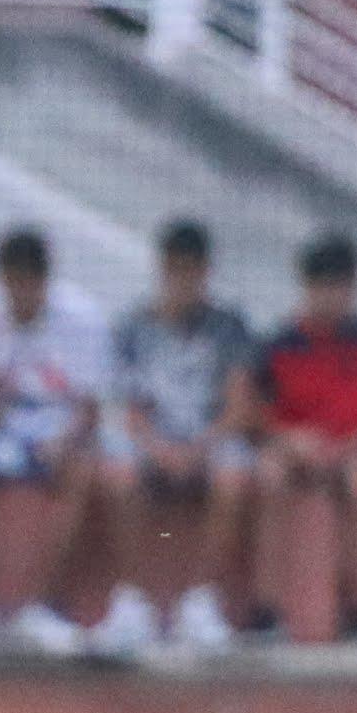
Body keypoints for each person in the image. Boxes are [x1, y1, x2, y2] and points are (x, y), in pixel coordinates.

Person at [0, 223, 127, 653]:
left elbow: (90, 411)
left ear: (44, 282)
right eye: (10, 285)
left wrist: (62, 442)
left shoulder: (83, 320)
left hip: (59, 432)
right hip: (5, 433)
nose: (18, 296)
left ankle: (42, 605)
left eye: (27, 286)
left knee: (82, 473)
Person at [110, 220, 263, 650]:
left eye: (191, 272)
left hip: (209, 441)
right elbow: (131, 412)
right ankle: (134, 598)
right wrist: (160, 449)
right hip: (154, 442)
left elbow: (239, 408)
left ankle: (201, 599)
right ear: (162, 270)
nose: (183, 282)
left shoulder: (229, 328)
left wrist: (198, 449)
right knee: (118, 472)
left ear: (204, 272)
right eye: (174, 271)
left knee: (234, 477)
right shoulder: (133, 328)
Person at [255, 233, 357, 639]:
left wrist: (351, 446)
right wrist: (293, 440)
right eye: (322, 288)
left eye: (340, 288)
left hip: (351, 449)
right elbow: (259, 416)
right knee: (269, 477)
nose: (331, 298)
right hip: (294, 450)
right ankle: (266, 607)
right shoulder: (279, 344)